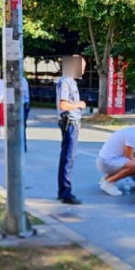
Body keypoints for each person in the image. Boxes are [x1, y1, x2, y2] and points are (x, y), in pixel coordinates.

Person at [56, 55, 87, 205]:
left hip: (72, 123)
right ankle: (65, 193)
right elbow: (63, 105)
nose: (83, 70)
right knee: (68, 158)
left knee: (67, 158)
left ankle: (63, 190)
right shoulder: (66, 81)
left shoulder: (71, 82)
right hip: (69, 123)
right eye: (82, 67)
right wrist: (79, 105)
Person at [97, 118, 135, 196]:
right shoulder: (132, 135)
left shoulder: (130, 130)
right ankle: (108, 183)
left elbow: (127, 154)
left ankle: (106, 179)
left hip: (103, 160)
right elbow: (128, 156)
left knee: (133, 162)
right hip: (106, 162)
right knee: (134, 167)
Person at [21, 74, 30, 152]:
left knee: (22, 125)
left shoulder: (22, 80)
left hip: (23, 105)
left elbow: (22, 93)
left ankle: (23, 145)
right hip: (17, 105)